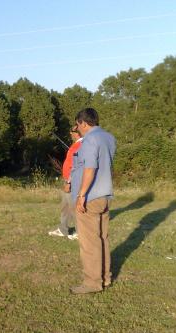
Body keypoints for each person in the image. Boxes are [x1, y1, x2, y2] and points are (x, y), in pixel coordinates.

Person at [69, 108, 116, 294]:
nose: (77, 129)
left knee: (89, 243)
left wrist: (81, 195)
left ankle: (92, 283)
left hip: (90, 197)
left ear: (83, 123)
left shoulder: (90, 139)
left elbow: (90, 168)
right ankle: (105, 278)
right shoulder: (109, 137)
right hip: (105, 195)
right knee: (102, 239)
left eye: (78, 125)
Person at [49, 127, 83, 240]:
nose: (70, 133)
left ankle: (80, 232)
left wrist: (69, 182)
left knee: (74, 207)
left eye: (72, 131)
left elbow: (77, 166)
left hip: (72, 181)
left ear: (77, 133)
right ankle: (63, 229)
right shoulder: (76, 145)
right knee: (65, 207)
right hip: (67, 179)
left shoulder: (80, 145)